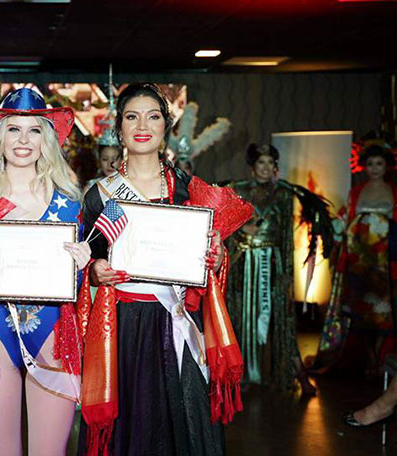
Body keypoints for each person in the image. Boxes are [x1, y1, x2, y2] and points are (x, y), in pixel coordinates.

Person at [79, 83, 233, 456]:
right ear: (119, 127)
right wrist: (96, 271)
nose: (142, 126)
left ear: (166, 125)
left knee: (186, 420)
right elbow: (87, 262)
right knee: (135, 422)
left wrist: (216, 256)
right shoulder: (101, 194)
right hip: (125, 325)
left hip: (176, 318)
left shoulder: (188, 189)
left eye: (153, 116)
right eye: (132, 117)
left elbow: (211, 255)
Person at [0, 87, 91, 455]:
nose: (23, 140)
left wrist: (83, 266)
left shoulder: (70, 204)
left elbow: (78, 286)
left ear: (47, 140)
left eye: (34, 131)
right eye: (13, 129)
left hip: (53, 331)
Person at [226, 144, 331, 395]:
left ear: (275, 167)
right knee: (240, 317)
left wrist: (286, 273)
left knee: (281, 318)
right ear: (252, 167)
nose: (266, 168)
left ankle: (296, 374)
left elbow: (285, 236)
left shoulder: (283, 194)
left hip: (272, 263)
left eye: (270, 163)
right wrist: (241, 228)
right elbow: (223, 223)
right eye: (261, 163)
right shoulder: (237, 190)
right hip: (243, 263)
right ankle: (239, 377)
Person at [311, 144, 397, 377]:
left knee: (383, 311)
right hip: (358, 259)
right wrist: (325, 226)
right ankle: (370, 359)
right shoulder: (356, 192)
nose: (375, 168)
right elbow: (343, 219)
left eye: (379, 164)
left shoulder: (394, 191)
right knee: (360, 310)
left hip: (384, 259)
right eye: (370, 164)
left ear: (387, 166)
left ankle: (381, 358)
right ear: (364, 166)